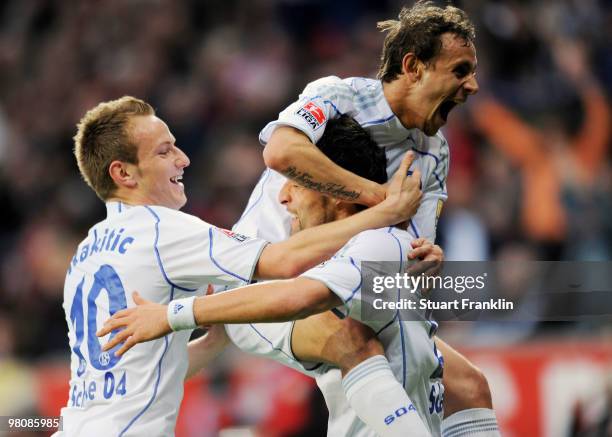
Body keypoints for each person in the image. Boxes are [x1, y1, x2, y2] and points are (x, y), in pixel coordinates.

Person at [56, 96, 422, 436]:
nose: (183, 159)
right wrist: (385, 211)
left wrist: (215, 342)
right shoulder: (159, 229)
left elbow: (141, 371)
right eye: (165, 151)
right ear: (124, 174)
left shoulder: (86, 253)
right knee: (354, 340)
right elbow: (283, 262)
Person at [230, 2, 500, 436]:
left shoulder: (435, 154)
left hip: (340, 290)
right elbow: (280, 152)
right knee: (357, 344)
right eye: (460, 70)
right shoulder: (339, 97)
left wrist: (426, 262)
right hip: (261, 285)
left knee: (468, 385)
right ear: (413, 66)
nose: (473, 85)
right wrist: (379, 201)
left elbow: (407, 262)